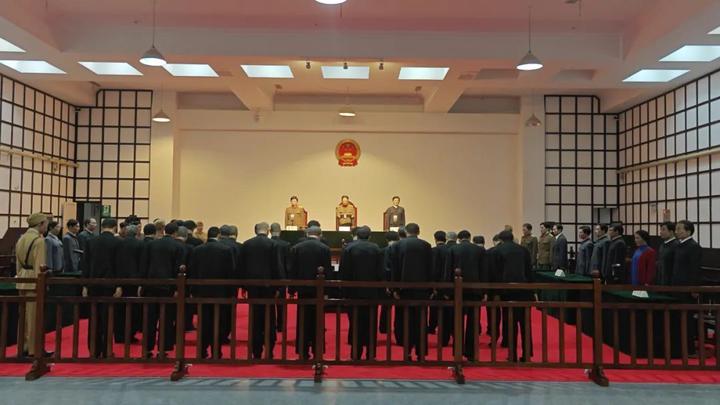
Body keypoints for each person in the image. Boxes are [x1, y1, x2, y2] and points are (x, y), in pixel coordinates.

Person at [339, 225, 384, 360]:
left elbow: (344, 272)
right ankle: (371, 353)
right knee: (371, 322)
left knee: (355, 323)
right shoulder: (376, 248)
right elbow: (380, 272)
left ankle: (356, 354)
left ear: (357, 236)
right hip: (371, 292)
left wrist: (344, 291)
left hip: (353, 292)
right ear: (370, 236)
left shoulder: (349, 248)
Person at [188, 229, 235, 358]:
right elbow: (230, 272)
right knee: (218, 322)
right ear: (218, 236)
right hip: (221, 292)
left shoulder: (197, 250)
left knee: (203, 322)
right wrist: (231, 292)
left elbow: (192, 271)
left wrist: (193, 290)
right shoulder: (226, 250)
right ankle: (216, 351)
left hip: (202, 292)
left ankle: (202, 350)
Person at [140, 222, 185, 357]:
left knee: (149, 318)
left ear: (165, 231)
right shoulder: (178, 246)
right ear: (176, 233)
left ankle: (147, 348)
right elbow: (179, 269)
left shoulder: (151, 244)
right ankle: (163, 349)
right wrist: (177, 288)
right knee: (166, 318)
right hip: (168, 286)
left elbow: (144, 264)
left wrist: (142, 284)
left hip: (151, 285)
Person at [390, 223, 433, 360]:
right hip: (422, 290)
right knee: (421, 321)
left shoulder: (397, 246)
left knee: (406, 321)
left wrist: (394, 289)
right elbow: (431, 268)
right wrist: (431, 289)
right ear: (418, 232)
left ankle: (407, 352)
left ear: (405, 232)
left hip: (404, 289)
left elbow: (394, 269)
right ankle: (421, 353)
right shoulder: (426, 246)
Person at [81, 218, 123, 359]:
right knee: (108, 318)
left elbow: (85, 264)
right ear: (115, 227)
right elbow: (119, 265)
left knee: (94, 318)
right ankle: (106, 350)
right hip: (110, 285)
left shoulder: (91, 241)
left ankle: (93, 350)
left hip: (93, 284)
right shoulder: (118, 242)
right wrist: (119, 285)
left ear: (102, 226)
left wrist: (85, 285)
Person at [242, 222, 284, 359]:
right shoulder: (273, 244)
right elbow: (277, 266)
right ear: (268, 231)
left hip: (252, 287)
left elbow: (242, 266)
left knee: (255, 318)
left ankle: (256, 351)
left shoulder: (247, 244)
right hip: (269, 287)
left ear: (255, 231)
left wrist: (244, 286)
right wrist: (278, 286)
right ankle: (269, 349)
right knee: (269, 318)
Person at [288, 226, 331, 359]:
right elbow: (328, 271)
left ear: (306, 234)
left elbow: (292, 270)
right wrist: (327, 290)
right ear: (320, 235)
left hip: (302, 290)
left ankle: (303, 351)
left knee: (302, 320)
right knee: (318, 321)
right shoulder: (324, 248)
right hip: (318, 290)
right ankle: (317, 351)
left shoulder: (297, 248)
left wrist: (291, 290)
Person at [491, 230, 534, 362]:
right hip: (524, 290)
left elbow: (495, 274)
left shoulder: (497, 251)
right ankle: (527, 354)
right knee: (525, 323)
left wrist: (495, 293)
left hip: (506, 291)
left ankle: (512, 354)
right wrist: (532, 290)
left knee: (510, 322)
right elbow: (529, 271)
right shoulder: (523, 250)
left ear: (500, 239)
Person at [446, 230, 487, 360]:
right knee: (473, 322)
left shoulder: (453, 250)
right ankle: (471, 353)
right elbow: (483, 272)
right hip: (475, 290)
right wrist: (484, 291)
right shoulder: (479, 250)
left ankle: (457, 351)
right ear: (470, 238)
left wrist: (447, 291)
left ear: (458, 239)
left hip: (457, 291)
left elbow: (448, 271)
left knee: (457, 322)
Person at [15, 213, 50, 358]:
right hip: (34, 282)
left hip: (22, 279)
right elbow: (39, 266)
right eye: (46, 223)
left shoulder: (21, 238)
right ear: (40, 224)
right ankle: (34, 349)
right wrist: (41, 284)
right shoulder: (39, 241)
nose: (47, 226)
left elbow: (18, 264)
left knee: (23, 317)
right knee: (34, 317)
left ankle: (23, 346)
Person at [672, 220, 703, 356]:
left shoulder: (693, 246)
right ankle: (679, 347)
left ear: (688, 231)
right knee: (678, 318)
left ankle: (689, 348)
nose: (676, 231)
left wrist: (694, 288)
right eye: (676, 229)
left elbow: (695, 269)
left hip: (687, 287)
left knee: (687, 319)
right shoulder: (679, 245)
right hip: (677, 286)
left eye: (679, 229)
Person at [114, 224, 144, 343]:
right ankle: (130, 334)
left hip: (120, 278)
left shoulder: (118, 244)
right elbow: (142, 263)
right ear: (137, 232)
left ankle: (119, 335)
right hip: (134, 280)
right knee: (133, 309)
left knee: (119, 309)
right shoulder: (140, 244)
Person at [218, 225, 242, 342]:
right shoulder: (238, 246)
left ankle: (215, 333)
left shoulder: (214, 245)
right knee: (229, 310)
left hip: (215, 283)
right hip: (232, 283)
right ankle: (225, 333)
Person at [270, 223, 290, 333]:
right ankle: (281, 325)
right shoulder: (286, 244)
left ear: (270, 231)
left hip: (269, 277)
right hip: (282, 277)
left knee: (269, 301)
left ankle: (271, 324)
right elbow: (288, 263)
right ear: (280, 231)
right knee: (281, 302)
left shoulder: (268, 243)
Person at [428, 231, 448, 336]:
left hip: (436, 283)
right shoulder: (450, 249)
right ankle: (446, 328)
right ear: (445, 238)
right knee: (447, 308)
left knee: (434, 307)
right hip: (447, 283)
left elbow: (432, 268)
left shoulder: (433, 251)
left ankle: (432, 326)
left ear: (435, 239)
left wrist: (433, 285)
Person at [379, 231, 399, 335]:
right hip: (398, 282)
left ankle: (384, 328)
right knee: (399, 307)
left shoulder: (382, 251)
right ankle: (398, 328)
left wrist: (385, 283)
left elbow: (383, 268)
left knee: (385, 306)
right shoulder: (401, 250)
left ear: (386, 239)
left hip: (386, 281)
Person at [656, 221, 679, 286]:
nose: (660, 232)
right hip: (660, 279)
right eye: (660, 230)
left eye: (663, 230)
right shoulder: (662, 245)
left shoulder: (677, 245)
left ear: (671, 232)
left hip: (671, 281)